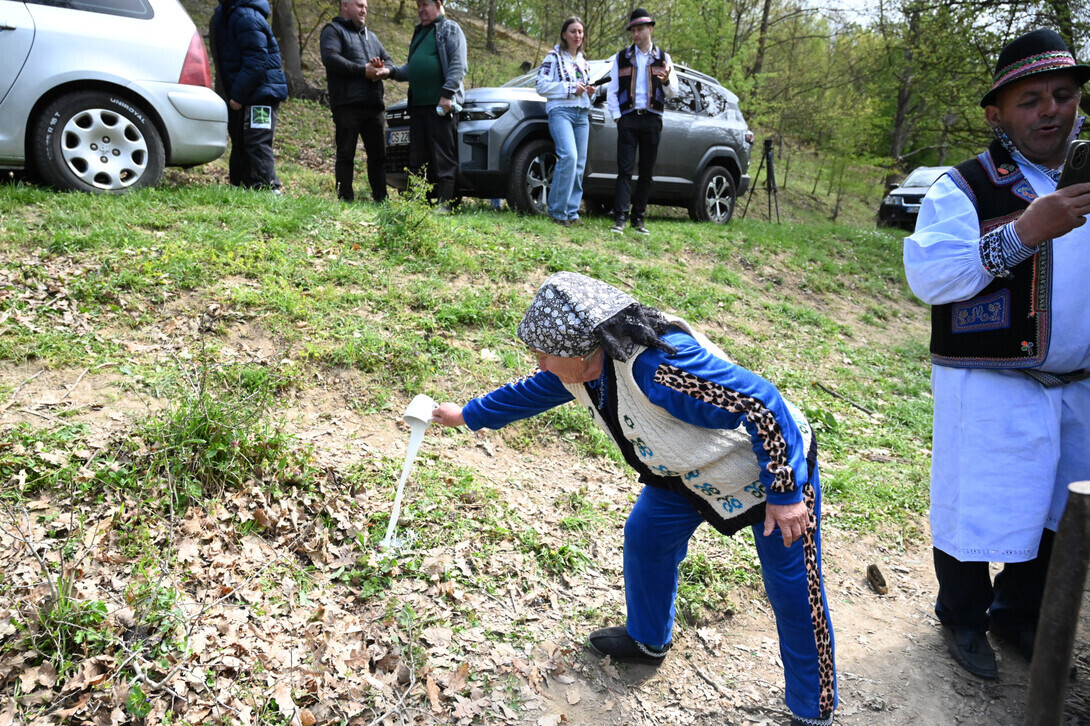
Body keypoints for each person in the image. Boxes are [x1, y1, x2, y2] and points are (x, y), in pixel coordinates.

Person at [431, 272, 838, 726]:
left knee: (793, 588)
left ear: (581, 352)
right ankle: (648, 640)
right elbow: (527, 392)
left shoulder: (663, 368)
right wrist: (465, 415)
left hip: (772, 470)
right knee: (647, 538)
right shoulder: (580, 369)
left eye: (544, 355)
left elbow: (761, 404)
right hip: (688, 472)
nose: (539, 364)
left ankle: (813, 709)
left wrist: (786, 490)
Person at [904, 28, 1090, 680]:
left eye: (1062, 95)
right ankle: (962, 615)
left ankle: (1019, 614)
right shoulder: (965, 186)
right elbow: (931, 277)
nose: (1049, 111)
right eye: (1029, 100)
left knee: (1057, 508)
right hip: (988, 380)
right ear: (997, 115)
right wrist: (1023, 232)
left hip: (1077, 382)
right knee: (975, 502)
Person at [372, 0, 466, 212]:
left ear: (438, 4)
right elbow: (412, 68)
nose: (421, 9)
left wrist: (447, 95)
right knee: (416, 159)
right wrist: (389, 72)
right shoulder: (420, 32)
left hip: (441, 107)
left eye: (425, 4)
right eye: (418, 6)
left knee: (443, 158)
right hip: (418, 107)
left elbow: (458, 65)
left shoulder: (450, 29)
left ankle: (445, 205)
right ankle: (415, 205)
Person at [605, 8, 677, 236]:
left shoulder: (663, 58)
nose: (635, 34)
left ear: (650, 29)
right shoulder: (621, 57)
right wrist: (618, 117)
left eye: (640, 30)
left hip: (652, 119)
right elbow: (612, 91)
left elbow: (673, 92)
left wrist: (666, 82)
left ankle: (639, 218)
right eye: (633, 30)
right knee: (624, 170)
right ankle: (620, 218)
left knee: (646, 172)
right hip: (628, 119)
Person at [209, 0, 289, 191]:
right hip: (243, 90)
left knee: (256, 141)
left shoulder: (247, 17)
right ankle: (242, 187)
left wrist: (238, 95)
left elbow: (257, 61)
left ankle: (269, 189)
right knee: (241, 141)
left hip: (263, 93)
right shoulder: (224, 14)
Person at [320, 0, 393, 203]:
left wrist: (382, 69)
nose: (364, 11)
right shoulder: (332, 30)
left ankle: (381, 200)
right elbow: (330, 58)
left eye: (366, 7)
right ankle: (345, 200)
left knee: (379, 156)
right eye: (360, 6)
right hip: (347, 104)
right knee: (346, 154)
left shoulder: (372, 37)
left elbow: (389, 61)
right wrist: (363, 70)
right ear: (345, 5)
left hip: (374, 104)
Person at [536, 17, 595, 227]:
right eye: (573, 31)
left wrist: (590, 92)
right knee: (569, 156)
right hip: (561, 112)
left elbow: (585, 90)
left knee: (579, 164)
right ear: (564, 34)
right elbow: (541, 86)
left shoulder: (584, 62)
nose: (577, 35)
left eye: (580, 32)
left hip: (582, 115)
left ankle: (571, 211)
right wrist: (570, 88)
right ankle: (557, 211)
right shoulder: (553, 57)